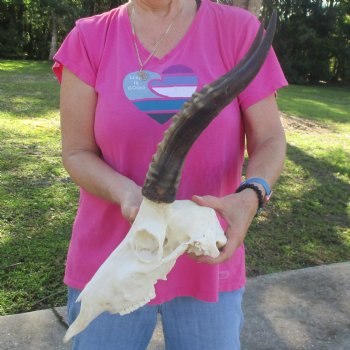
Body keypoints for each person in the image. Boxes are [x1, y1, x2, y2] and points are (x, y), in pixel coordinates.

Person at [52, 0, 288, 349]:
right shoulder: (89, 37)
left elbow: (269, 138)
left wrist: (253, 193)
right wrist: (127, 194)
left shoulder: (238, 31)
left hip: (206, 259)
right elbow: (76, 152)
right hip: (112, 262)